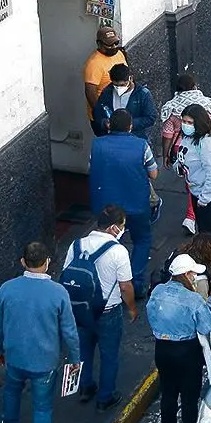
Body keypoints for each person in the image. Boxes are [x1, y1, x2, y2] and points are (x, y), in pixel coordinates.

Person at [0, 242, 81, 423]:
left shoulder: (6, 289)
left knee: (11, 391)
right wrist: (74, 359)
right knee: (42, 407)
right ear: (47, 262)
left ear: (23, 262)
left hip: (15, 356)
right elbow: (69, 332)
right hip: (45, 362)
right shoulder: (59, 292)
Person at [63, 205, 139, 411]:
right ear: (114, 228)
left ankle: (85, 387)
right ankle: (106, 397)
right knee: (109, 355)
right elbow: (125, 286)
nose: (124, 230)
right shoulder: (118, 252)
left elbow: (66, 274)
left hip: (80, 309)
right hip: (108, 311)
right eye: (123, 226)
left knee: (83, 351)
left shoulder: (76, 245)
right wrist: (132, 307)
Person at [146, 254, 211, 423]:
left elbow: (150, 315)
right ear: (186, 274)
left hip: (162, 349)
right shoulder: (193, 300)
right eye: (193, 273)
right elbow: (205, 327)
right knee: (189, 396)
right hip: (187, 352)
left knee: (168, 393)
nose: (195, 277)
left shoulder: (157, 291)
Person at [89, 109, 158, 298]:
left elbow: (92, 168)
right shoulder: (141, 146)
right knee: (142, 240)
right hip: (136, 205)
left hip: (106, 207)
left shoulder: (96, 145)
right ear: (130, 126)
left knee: (107, 243)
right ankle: (135, 283)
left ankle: (107, 281)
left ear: (109, 125)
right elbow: (153, 173)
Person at [92, 64, 162, 223]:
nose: (118, 87)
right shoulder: (107, 92)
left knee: (140, 174)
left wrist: (128, 124)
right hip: (114, 138)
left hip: (135, 138)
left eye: (122, 84)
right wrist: (105, 123)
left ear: (130, 78)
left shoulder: (142, 95)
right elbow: (98, 113)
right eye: (115, 84)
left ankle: (150, 202)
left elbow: (150, 117)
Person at [160, 73, 211, 235]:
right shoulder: (207, 104)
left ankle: (191, 216)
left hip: (180, 151)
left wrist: (165, 154)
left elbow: (167, 134)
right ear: (195, 87)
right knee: (196, 180)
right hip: (197, 151)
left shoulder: (171, 107)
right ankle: (192, 215)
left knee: (191, 180)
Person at [174, 104, 211, 237]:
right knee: (206, 230)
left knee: (207, 232)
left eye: (190, 122)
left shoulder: (207, 143)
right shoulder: (188, 138)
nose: (186, 125)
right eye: (184, 121)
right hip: (197, 190)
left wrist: (204, 199)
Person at [84, 26, 129, 136]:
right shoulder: (94, 64)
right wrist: (102, 115)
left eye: (115, 43)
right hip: (105, 114)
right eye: (109, 45)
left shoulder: (119, 54)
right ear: (99, 44)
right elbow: (90, 93)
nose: (113, 47)